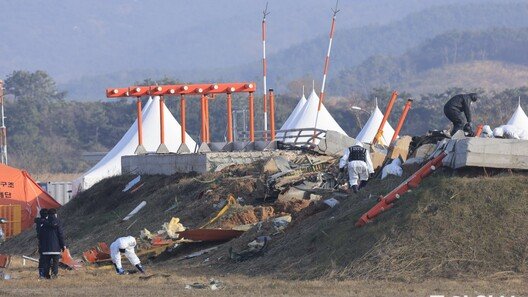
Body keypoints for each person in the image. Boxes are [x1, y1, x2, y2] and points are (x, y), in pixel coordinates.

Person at [39, 208, 66, 279]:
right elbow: (60, 235)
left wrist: (41, 246)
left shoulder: (44, 223)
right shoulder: (58, 222)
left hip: (46, 248)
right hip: (56, 247)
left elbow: (40, 235)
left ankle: (46, 276)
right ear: (55, 214)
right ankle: (54, 276)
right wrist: (63, 245)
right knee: (55, 263)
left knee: (46, 263)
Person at [34, 208, 49, 279]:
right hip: (47, 242)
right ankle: (46, 274)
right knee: (47, 259)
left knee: (42, 259)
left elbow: (36, 220)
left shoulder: (38, 221)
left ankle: (41, 274)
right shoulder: (47, 222)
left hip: (41, 242)